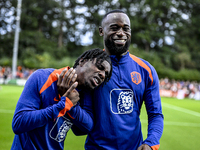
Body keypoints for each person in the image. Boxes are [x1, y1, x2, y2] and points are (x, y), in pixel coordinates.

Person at [72, 9, 164, 150]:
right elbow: (79, 130)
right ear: (101, 31)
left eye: (126, 29)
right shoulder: (90, 69)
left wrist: (151, 142)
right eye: (114, 28)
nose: (121, 33)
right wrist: (69, 104)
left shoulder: (146, 70)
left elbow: (156, 114)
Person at [11, 48, 112, 150]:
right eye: (100, 67)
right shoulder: (43, 77)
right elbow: (19, 123)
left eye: (106, 74)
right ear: (82, 61)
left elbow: (85, 129)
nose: (102, 75)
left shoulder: (86, 94)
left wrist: (72, 106)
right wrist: (64, 105)